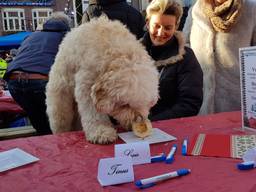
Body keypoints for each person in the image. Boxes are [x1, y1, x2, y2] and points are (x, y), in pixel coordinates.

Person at [183, 0, 256, 114]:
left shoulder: (251, 9)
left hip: (238, 103)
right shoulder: (196, 9)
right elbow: (185, 48)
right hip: (199, 102)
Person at [4, 12, 71, 135]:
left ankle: (47, 149)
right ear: (66, 25)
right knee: (60, 125)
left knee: (40, 125)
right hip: (41, 81)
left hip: (14, 82)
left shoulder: (30, 36)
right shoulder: (66, 37)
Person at [141, 0, 203, 121]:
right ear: (148, 23)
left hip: (169, 129)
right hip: (131, 129)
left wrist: (152, 122)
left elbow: (190, 103)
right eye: (156, 26)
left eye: (168, 28)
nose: (161, 32)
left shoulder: (186, 57)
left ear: (176, 26)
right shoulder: (131, 54)